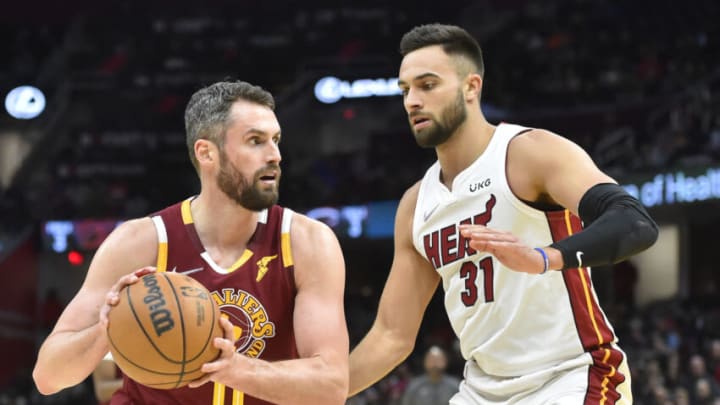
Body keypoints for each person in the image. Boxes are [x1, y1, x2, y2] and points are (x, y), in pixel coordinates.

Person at [348, 24, 658, 403]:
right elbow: (391, 336)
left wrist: (544, 257)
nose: (412, 100)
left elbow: (633, 221)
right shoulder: (416, 205)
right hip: (481, 390)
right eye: (405, 89)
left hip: (569, 377)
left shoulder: (528, 153)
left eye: (427, 85)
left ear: (471, 87)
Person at [33, 80, 349, 404]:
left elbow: (332, 387)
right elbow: (48, 376)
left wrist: (233, 368)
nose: (274, 155)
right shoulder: (140, 242)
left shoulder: (307, 243)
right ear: (206, 152)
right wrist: (109, 330)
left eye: (276, 140)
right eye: (256, 141)